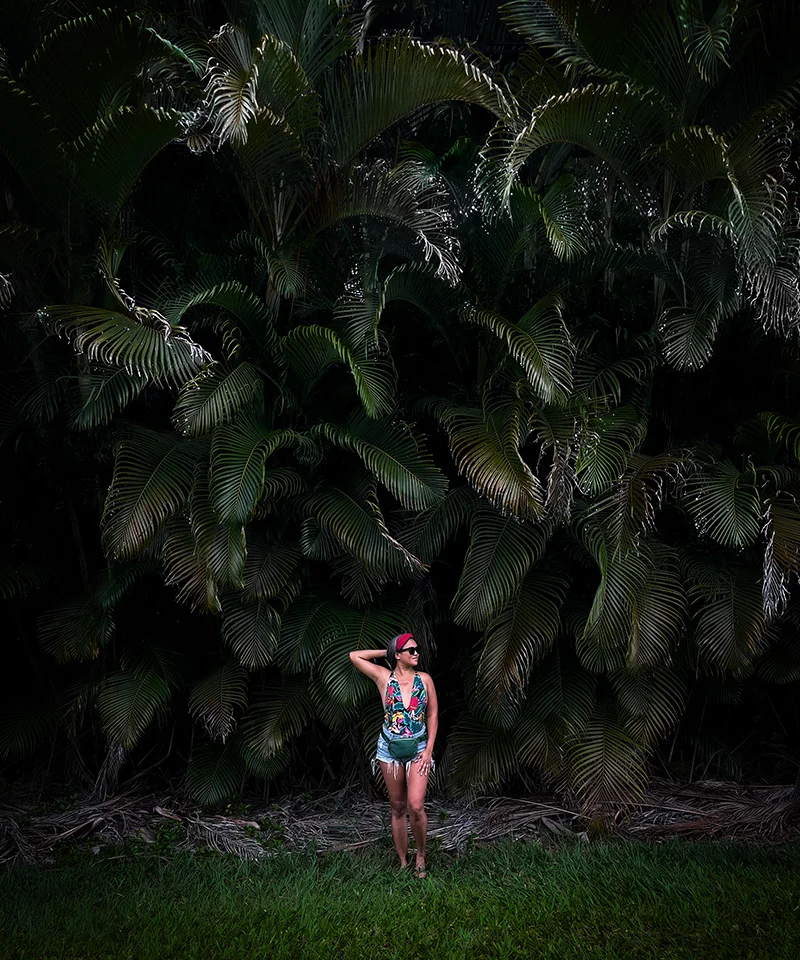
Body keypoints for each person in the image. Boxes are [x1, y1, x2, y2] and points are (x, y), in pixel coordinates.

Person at [349, 632, 438, 878]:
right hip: (388, 751)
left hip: (419, 749)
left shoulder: (425, 679)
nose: (416, 653)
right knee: (397, 806)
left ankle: (421, 854)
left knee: (416, 805)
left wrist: (429, 749)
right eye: (410, 650)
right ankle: (402, 860)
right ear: (398, 655)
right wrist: (386, 653)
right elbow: (354, 656)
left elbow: (431, 715)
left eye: (417, 649)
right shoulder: (383, 677)